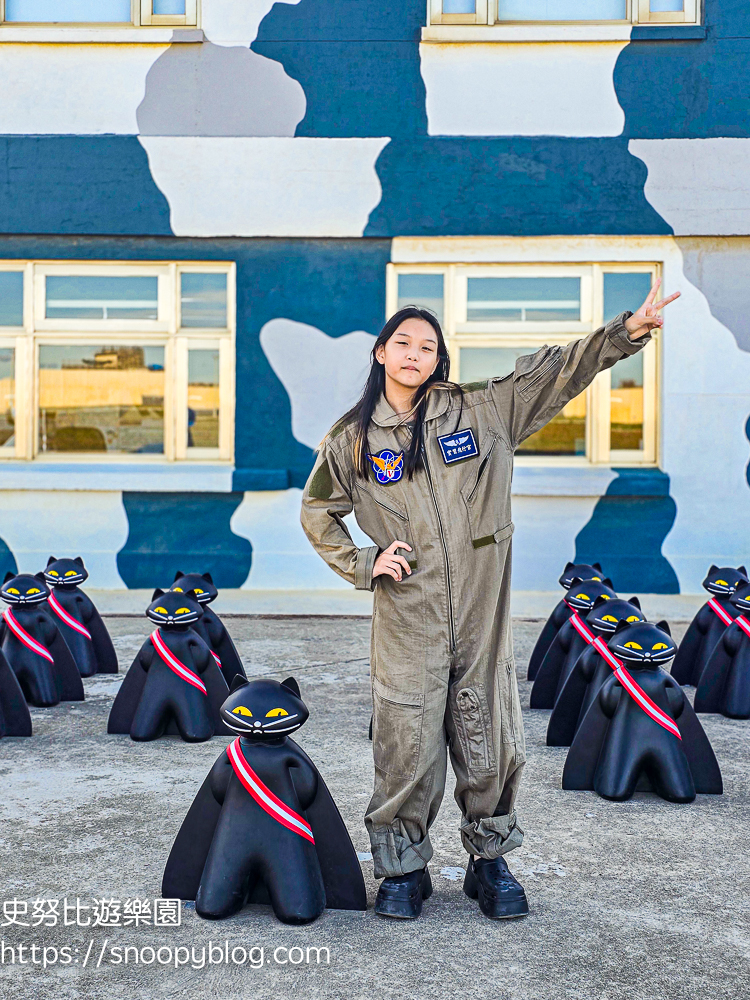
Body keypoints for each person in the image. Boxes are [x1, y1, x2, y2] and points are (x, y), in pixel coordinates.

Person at [300, 280, 679, 920]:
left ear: (439, 359)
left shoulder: (481, 412)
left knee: (488, 730)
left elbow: (556, 372)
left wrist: (626, 331)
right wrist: (366, 563)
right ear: (379, 353)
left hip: (482, 609)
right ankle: (401, 870)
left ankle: (490, 860)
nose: (415, 354)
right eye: (403, 343)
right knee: (406, 736)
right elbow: (318, 513)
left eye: (428, 346)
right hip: (408, 612)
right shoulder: (352, 440)